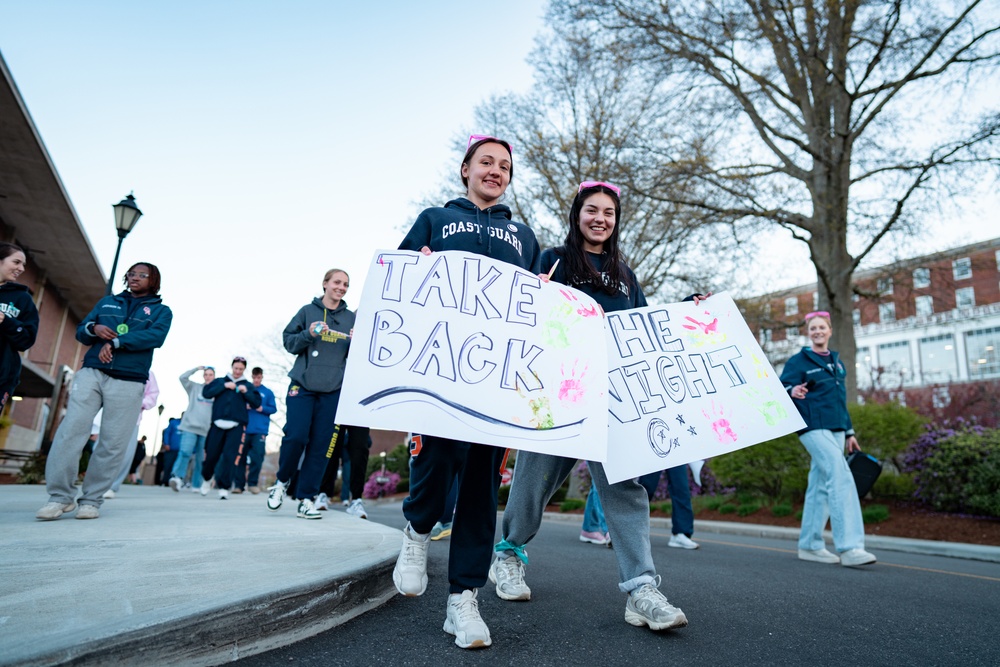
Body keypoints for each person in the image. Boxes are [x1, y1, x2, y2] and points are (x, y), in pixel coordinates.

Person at [492, 182, 692, 632]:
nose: (600, 218)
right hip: (557, 396)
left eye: (609, 212)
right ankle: (507, 554)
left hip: (609, 400)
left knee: (625, 490)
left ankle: (641, 589)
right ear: (577, 214)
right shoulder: (550, 260)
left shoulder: (625, 273)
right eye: (592, 210)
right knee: (530, 486)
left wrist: (688, 314)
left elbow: (644, 330)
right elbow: (522, 314)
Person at [391, 135, 541, 650]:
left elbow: (536, 306)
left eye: (504, 166)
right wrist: (417, 265)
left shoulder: (523, 236)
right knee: (434, 465)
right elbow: (399, 280)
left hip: (494, 382)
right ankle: (416, 531)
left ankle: (463, 599)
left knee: (481, 485)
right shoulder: (435, 218)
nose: (495, 171)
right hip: (440, 376)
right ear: (465, 170)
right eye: (486, 162)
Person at [37, 262, 172, 520]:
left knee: (112, 442)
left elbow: (156, 337)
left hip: (130, 379)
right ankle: (59, 497)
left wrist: (117, 341)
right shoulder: (108, 302)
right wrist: (94, 328)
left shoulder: (162, 311)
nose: (135, 278)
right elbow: (82, 331)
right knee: (70, 431)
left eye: (142, 275)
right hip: (92, 372)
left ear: (153, 281)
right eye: (132, 274)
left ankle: (91, 500)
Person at [781, 311, 877, 567]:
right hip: (813, 427)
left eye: (822, 327)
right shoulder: (798, 361)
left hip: (836, 428)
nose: (817, 331)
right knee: (841, 476)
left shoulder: (837, 362)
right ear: (808, 332)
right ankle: (850, 548)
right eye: (813, 328)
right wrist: (793, 390)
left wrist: (849, 431)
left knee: (820, 484)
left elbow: (840, 400)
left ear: (829, 330)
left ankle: (810, 545)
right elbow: (781, 387)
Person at [266, 269, 363, 520]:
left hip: (333, 391)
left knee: (322, 447)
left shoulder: (352, 319)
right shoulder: (307, 311)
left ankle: (306, 499)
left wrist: (357, 342)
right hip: (303, 386)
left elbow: (360, 358)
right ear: (325, 284)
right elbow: (288, 342)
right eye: (337, 282)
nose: (342, 287)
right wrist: (309, 333)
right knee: (296, 437)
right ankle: (281, 482)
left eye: (346, 284)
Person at [199, 357, 260, 499]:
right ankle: (207, 479)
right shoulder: (220, 381)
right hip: (217, 424)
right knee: (211, 455)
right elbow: (206, 393)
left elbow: (257, 403)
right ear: (232, 367)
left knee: (229, 457)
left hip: (236, 426)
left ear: (244, 370)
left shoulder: (248, 385)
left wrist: (246, 392)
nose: (238, 371)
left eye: (241, 369)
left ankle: (224, 487)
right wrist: (225, 386)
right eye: (236, 368)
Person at [104, 371, 159, 497]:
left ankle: (112, 486)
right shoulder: (117, 365)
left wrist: (140, 403)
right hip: (109, 415)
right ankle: (96, 484)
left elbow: (153, 395)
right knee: (103, 449)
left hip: (133, 419)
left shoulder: (148, 373)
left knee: (126, 454)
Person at [0, 243, 39, 410]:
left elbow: (27, 340)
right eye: (16, 262)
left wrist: (6, 321)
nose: (21, 268)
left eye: (23, 264)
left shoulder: (23, 299)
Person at [169, 366, 215, 492]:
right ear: (203, 376)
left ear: (214, 377)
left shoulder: (217, 392)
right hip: (190, 427)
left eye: (211, 374)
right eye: (206, 374)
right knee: (185, 452)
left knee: (201, 459)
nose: (208, 377)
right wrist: (196, 369)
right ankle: (177, 478)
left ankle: (196, 484)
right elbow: (182, 378)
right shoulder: (194, 388)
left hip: (206, 430)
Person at [638, 465, 700, 549]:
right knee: (646, 488)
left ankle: (681, 533)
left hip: (676, 452)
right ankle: (624, 530)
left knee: (681, 487)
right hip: (650, 453)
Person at [236, 366, 276, 494]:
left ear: (262, 377)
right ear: (252, 377)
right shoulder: (247, 390)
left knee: (257, 457)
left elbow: (273, 409)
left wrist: (261, 408)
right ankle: (238, 485)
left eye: (258, 377)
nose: (256, 380)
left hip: (260, 430)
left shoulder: (267, 392)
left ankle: (252, 484)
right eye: (254, 378)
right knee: (240, 458)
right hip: (244, 429)